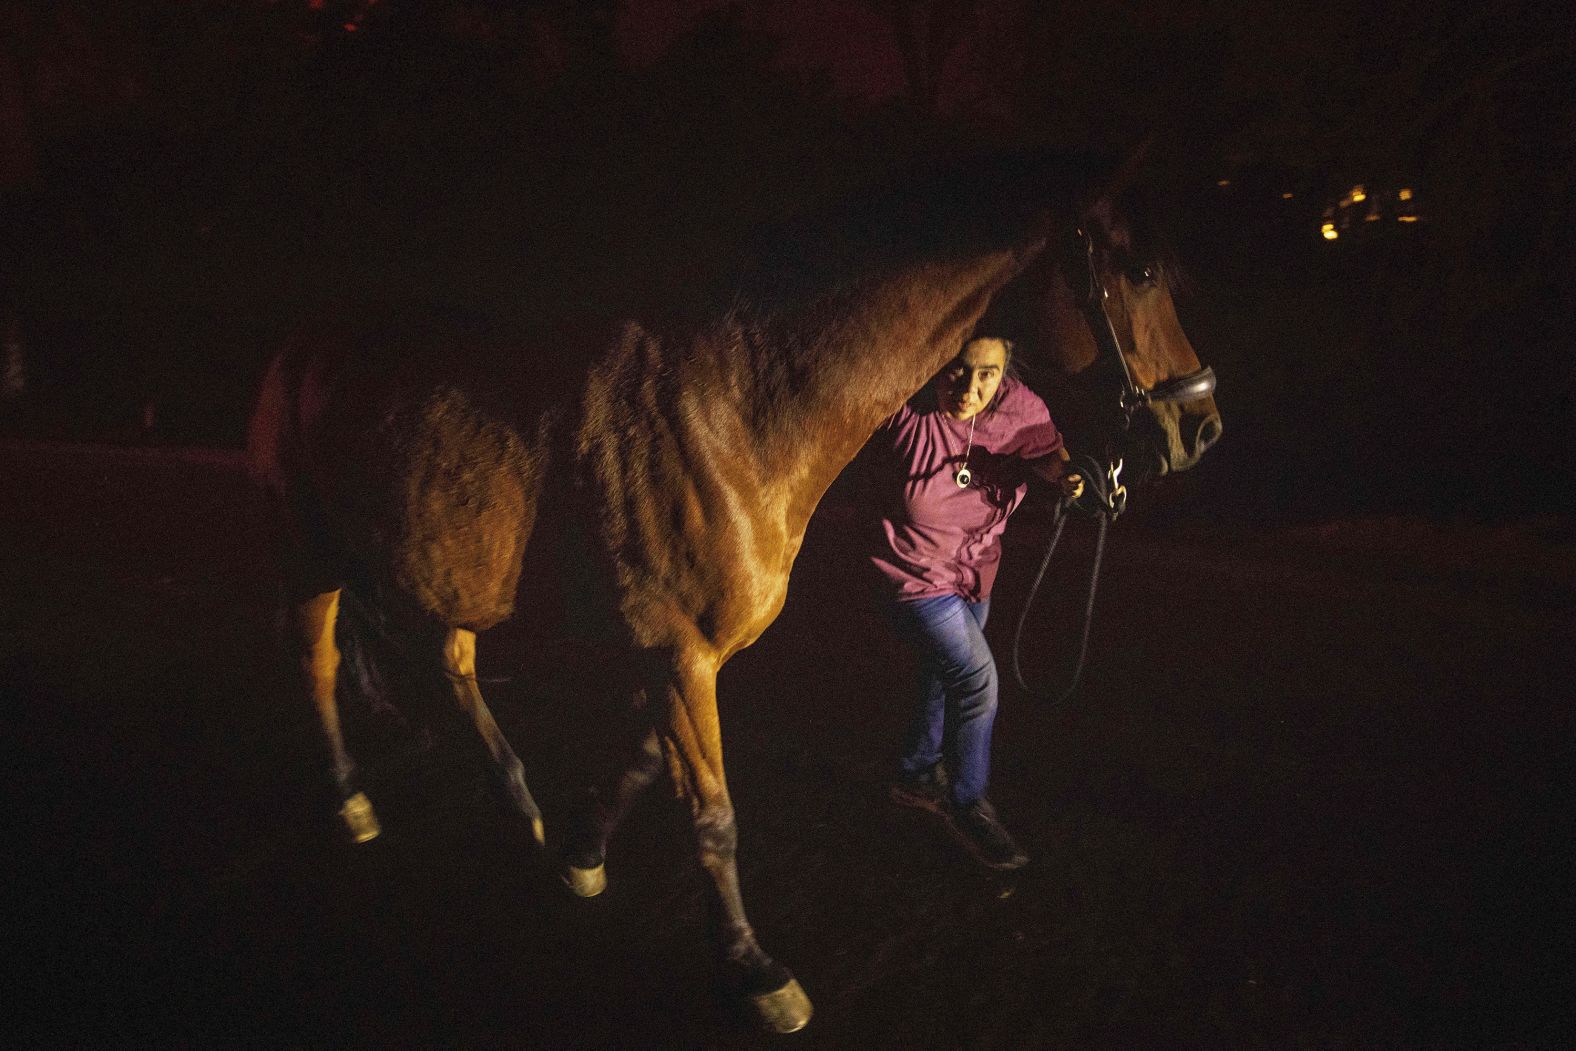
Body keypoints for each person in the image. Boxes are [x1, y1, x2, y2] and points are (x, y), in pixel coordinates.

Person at [865, 335, 1083, 870]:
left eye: (988, 373)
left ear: (1005, 371)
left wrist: (1071, 478)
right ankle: (968, 803)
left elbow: (1051, 458)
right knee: (975, 681)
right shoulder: (905, 409)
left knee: (942, 676)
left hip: (975, 575)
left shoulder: (1020, 409)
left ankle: (916, 773)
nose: (971, 387)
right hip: (911, 576)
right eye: (958, 370)